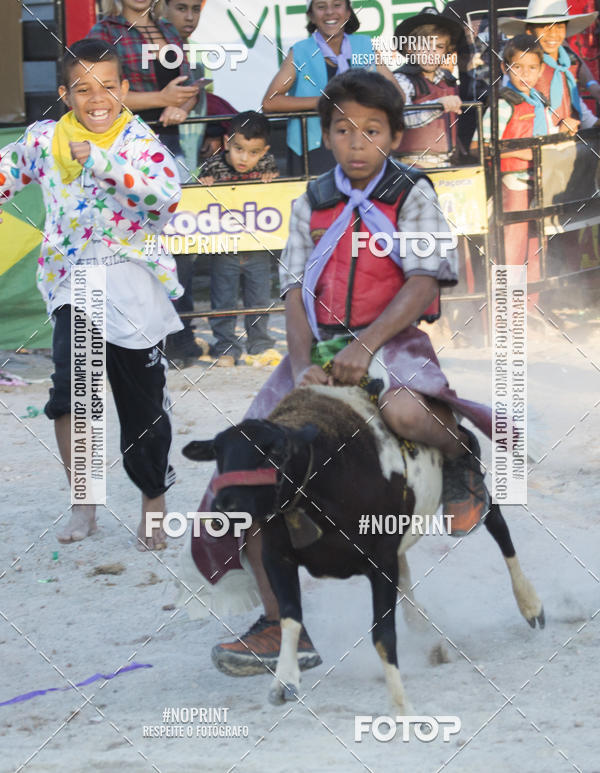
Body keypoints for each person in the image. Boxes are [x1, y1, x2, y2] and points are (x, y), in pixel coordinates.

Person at [186, 70, 494, 676]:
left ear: (396, 136)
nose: (357, 142)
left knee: (405, 410)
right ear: (326, 135)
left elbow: (424, 280)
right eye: (344, 129)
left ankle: (462, 462)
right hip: (320, 349)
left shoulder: (413, 194)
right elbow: (297, 293)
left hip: (392, 339)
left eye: (372, 130)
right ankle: (279, 625)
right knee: (250, 462)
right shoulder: (310, 200)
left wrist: (368, 345)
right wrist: (303, 368)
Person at [0, 39, 183, 550]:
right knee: (72, 398)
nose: (96, 98)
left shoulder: (140, 143)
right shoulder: (45, 140)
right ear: (65, 93)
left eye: (107, 86)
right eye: (82, 88)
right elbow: (3, 174)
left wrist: (102, 161)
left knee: (142, 407)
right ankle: (85, 502)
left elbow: (165, 196)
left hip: (134, 285)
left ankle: (153, 502)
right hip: (75, 284)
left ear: (124, 90)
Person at [262, 0, 401, 176]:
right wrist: (324, 101)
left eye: (337, 5)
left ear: (348, 12)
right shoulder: (301, 52)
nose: (329, 12)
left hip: (364, 144)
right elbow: (270, 102)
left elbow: (397, 95)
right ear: (311, 16)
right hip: (313, 149)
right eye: (321, 7)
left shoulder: (364, 46)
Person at [482, 35, 558, 309]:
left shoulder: (539, 100)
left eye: (531, 68)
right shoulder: (504, 103)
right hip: (514, 185)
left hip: (540, 184)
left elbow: (548, 133)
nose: (524, 74)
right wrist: (521, 152)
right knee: (512, 250)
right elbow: (483, 144)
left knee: (537, 249)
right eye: (518, 67)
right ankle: (508, 313)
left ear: (541, 70)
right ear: (505, 68)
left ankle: (530, 308)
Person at [200, 111, 279, 367]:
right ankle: (226, 348)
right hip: (224, 247)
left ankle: (260, 346)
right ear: (226, 142)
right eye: (238, 149)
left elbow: (277, 200)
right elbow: (196, 199)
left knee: (259, 298)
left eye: (254, 152)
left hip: (257, 247)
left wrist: (273, 183)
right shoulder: (213, 165)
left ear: (264, 151)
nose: (244, 158)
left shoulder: (268, 166)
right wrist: (205, 184)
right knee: (223, 298)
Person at [88, 0, 202, 169]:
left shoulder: (168, 29)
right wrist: (162, 99)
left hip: (171, 143)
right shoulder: (104, 32)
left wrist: (180, 109)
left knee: (179, 194)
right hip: (124, 147)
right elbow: (100, 97)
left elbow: (191, 88)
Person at [499, 0, 599, 132]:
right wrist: (555, 131)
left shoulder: (568, 61)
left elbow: (573, 100)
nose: (553, 34)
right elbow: (517, 113)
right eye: (545, 28)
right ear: (530, 31)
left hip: (568, 137)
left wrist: (593, 123)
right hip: (537, 142)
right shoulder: (523, 65)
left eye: (559, 27)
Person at [392, 10, 464, 168]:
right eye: (425, 45)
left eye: (438, 46)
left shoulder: (449, 81)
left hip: (447, 163)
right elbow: (402, 118)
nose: (431, 53)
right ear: (409, 48)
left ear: (446, 51)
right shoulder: (402, 79)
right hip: (410, 164)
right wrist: (439, 105)